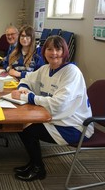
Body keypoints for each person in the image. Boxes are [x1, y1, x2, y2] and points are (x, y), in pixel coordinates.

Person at [10, 35, 94, 182]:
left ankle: (38, 169)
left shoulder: (71, 72)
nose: (53, 53)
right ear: (44, 51)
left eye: (58, 49)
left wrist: (27, 97)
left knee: (27, 129)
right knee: (22, 126)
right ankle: (33, 163)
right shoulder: (45, 69)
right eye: (49, 49)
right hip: (56, 118)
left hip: (75, 125)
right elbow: (27, 79)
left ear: (64, 51)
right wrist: (23, 88)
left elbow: (59, 104)